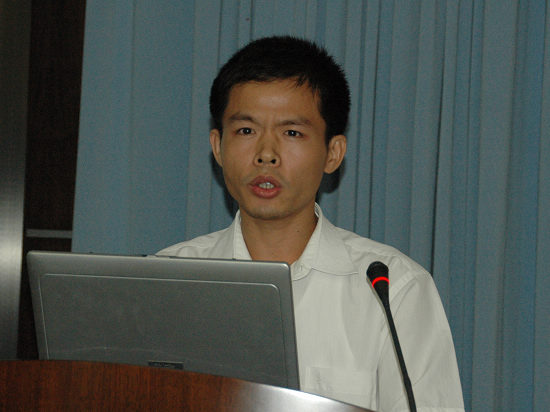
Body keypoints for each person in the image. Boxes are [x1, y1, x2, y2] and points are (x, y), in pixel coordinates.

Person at [158, 36, 464, 412]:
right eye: (246, 131)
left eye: (291, 133)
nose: (266, 154)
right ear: (218, 146)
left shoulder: (393, 291)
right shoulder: (168, 282)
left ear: (333, 153)